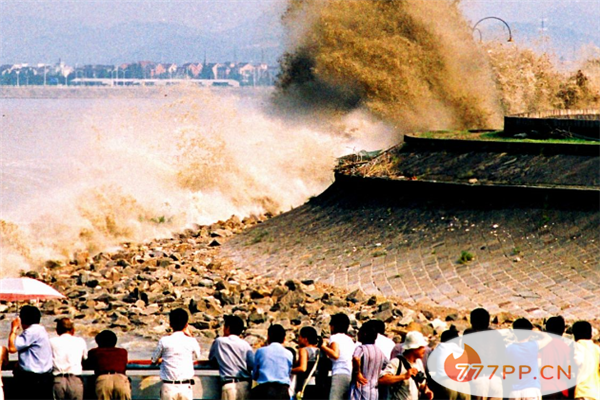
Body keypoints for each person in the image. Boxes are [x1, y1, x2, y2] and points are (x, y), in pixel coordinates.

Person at [152, 308, 201, 400]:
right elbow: (198, 356)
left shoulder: (164, 341)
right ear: (186, 325)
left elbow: (154, 359)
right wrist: (190, 336)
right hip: (185, 387)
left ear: (170, 324)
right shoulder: (191, 341)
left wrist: (160, 360)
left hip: (169, 387)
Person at [7, 305, 53, 400]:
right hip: (44, 378)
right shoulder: (40, 330)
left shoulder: (31, 332)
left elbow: (12, 348)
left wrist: (13, 330)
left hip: (31, 380)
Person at [463, 308, 505, 400]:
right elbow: (503, 355)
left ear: (472, 321)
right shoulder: (496, 334)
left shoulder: (468, 333)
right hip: (496, 378)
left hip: (478, 378)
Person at [209, 315, 254, 400]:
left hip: (229, 385)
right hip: (245, 385)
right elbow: (252, 364)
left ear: (228, 328)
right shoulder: (245, 345)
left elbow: (211, 358)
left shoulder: (219, 342)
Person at [505, 318, 552, 400]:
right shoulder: (533, 346)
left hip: (514, 391)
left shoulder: (509, 348)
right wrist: (537, 332)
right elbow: (549, 338)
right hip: (531, 389)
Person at [379, 331, 434, 400]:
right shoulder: (396, 362)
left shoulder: (418, 362)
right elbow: (382, 380)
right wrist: (403, 376)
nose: (424, 350)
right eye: (422, 347)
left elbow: (421, 384)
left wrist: (426, 390)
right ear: (414, 349)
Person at [86, 329, 131, 400]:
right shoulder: (122, 352)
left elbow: (87, 364)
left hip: (103, 380)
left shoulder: (94, 352)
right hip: (121, 379)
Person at [251, 324, 293, 400]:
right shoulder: (289, 353)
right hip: (282, 390)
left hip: (264, 390)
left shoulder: (261, 351)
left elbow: (255, 374)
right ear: (284, 339)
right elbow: (288, 372)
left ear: (268, 337)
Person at [320, 313, 357, 400]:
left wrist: (322, 346)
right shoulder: (350, 340)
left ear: (333, 326)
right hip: (349, 374)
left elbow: (335, 355)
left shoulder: (335, 337)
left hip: (339, 373)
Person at [50, 317, 88, 400]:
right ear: (73, 330)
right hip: (75, 379)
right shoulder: (80, 341)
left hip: (58, 379)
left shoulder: (51, 342)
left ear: (57, 331)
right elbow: (85, 357)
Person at [428, 328, 470, 400]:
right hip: (464, 384)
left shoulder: (439, 348)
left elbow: (429, 369)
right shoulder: (462, 351)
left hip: (446, 382)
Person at [349, 323, 386, 400]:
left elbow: (356, 358)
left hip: (360, 388)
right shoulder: (379, 351)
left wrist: (357, 373)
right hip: (374, 391)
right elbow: (387, 364)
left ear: (364, 334)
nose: (358, 334)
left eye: (360, 332)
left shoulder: (361, 348)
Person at [541, 316, 571, 400]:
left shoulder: (542, 346)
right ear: (563, 330)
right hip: (560, 389)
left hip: (545, 388)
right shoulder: (565, 348)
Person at [572, 321, 600, 400]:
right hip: (596, 392)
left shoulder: (579, 345)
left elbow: (577, 362)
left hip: (582, 391)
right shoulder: (596, 348)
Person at [292, 326, 321, 400]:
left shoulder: (304, 350)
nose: (298, 339)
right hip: (319, 384)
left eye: (300, 337)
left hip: (307, 385)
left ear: (305, 339)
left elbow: (303, 368)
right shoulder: (319, 351)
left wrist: (290, 370)